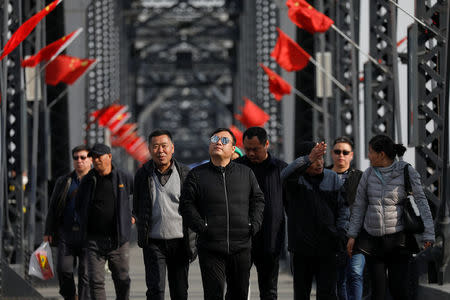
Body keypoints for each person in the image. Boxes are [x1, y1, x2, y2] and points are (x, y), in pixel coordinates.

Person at [179, 128, 265, 300]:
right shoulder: (197, 174)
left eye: (224, 140)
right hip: (211, 246)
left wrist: (253, 224)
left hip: (241, 245)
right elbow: (186, 205)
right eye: (214, 139)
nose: (218, 142)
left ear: (233, 149)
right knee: (214, 294)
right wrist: (201, 226)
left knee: (239, 293)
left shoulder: (245, 173)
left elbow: (258, 200)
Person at [346, 134, 435, 300]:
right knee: (378, 292)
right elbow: (359, 206)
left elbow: (422, 202)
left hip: (398, 241)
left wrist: (429, 233)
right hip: (372, 241)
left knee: (398, 289)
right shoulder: (368, 174)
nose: (368, 156)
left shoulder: (407, 171)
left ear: (381, 155)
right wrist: (352, 235)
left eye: (371, 152)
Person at [133, 129, 196, 300]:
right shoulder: (143, 174)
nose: (160, 151)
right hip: (153, 242)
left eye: (164, 146)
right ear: (149, 149)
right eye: (155, 147)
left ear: (172, 148)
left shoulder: (186, 173)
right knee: (155, 290)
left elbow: (194, 207)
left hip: (180, 242)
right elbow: (137, 205)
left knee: (180, 291)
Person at [281, 141, 348, 300]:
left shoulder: (332, 177)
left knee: (328, 293)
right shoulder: (295, 181)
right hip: (301, 247)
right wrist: (307, 159)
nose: (319, 163)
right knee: (302, 293)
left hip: (328, 246)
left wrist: (341, 231)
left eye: (321, 158)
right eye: (314, 159)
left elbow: (343, 208)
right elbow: (284, 174)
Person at [234, 127, 287, 300]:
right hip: (242, 239)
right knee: (237, 288)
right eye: (247, 148)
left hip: (270, 238)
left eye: (255, 149)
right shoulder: (236, 168)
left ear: (267, 145)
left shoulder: (281, 170)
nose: (250, 153)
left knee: (269, 290)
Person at [75, 143, 133, 300]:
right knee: (96, 281)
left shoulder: (123, 177)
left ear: (109, 157)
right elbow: (79, 204)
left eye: (99, 156)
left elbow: (140, 197)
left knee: (122, 279)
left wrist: (134, 215)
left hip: (118, 240)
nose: (96, 160)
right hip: (94, 240)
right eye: (93, 157)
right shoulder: (88, 180)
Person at [44, 145, 92, 300]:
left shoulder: (97, 180)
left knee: (85, 273)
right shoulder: (64, 181)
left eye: (83, 157)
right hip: (67, 233)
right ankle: (71, 296)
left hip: (88, 234)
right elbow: (53, 207)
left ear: (90, 159)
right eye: (76, 158)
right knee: (63, 269)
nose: (79, 161)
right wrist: (48, 231)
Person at [328, 137, 364, 300]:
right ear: (331, 153)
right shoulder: (323, 175)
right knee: (338, 279)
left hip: (356, 235)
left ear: (352, 155)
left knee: (355, 274)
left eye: (345, 152)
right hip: (332, 236)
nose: (340, 155)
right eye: (337, 152)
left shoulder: (360, 178)